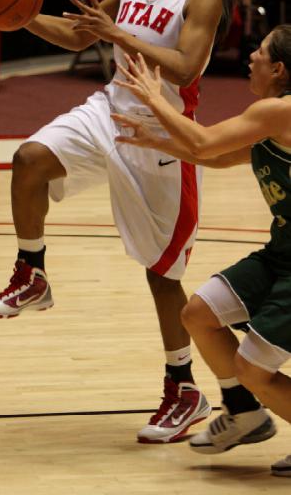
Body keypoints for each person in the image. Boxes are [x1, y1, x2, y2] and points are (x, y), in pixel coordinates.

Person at [0, 0, 237, 444]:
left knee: (162, 277)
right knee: (30, 158)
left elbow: (186, 68)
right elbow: (80, 37)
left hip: (161, 137)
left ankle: (184, 389)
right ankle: (33, 271)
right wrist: (21, 15)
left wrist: (115, 32)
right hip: (109, 111)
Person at [110, 24, 291, 476]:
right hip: (282, 254)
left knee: (254, 369)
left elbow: (205, 141)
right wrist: (156, 140)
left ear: (280, 69)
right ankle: (245, 414)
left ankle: (249, 399)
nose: (251, 56)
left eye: (260, 51)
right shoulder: (273, 119)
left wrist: (154, 97)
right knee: (198, 314)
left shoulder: (280, 112)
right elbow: (217, 156)